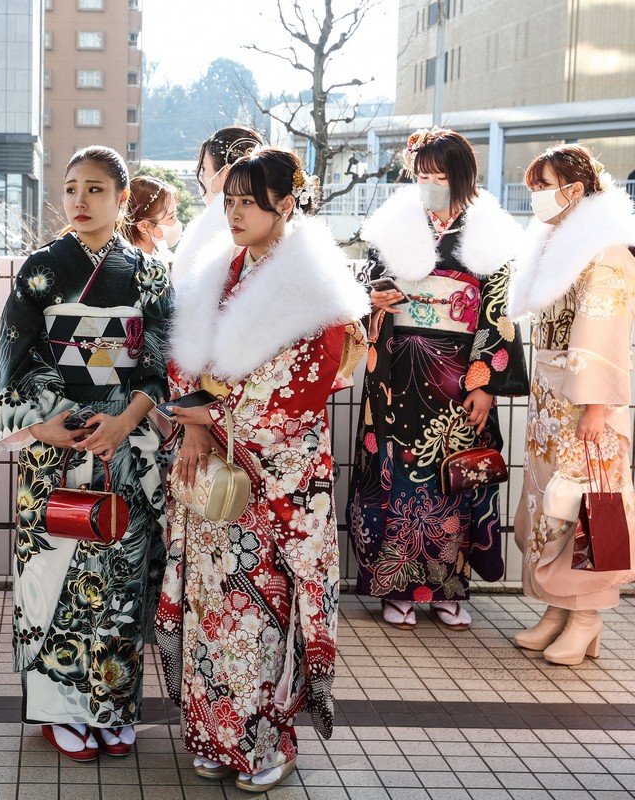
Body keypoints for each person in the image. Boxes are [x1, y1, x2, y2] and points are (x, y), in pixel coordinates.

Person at [156, 147, 366, 789]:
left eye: (250, 200)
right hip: (212, 470)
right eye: (229, 199)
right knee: (211, 602)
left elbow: (300, 385)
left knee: (265, 606)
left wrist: (202, 421)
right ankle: (215, 734)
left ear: (286, 203)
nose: (235, 211)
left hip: (276, 473)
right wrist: (194, 418)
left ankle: (268, 742)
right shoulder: (218, 270)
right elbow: (184, 359)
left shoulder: (315, 284)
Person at [0, 146, 171, 761]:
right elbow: (12, 359)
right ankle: (58, 709)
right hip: (57, 443)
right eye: (70, 189)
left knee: (121, 575)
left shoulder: (148, 271)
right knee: (55, 578)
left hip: (125, 446)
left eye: (95, 189)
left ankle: (114, 704)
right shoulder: (40, 270)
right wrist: (41, 427)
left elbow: (161, 364)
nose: (80, 201)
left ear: (122, 199)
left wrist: (125, 422)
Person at [347, 128, 529, 631]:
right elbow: (364, 279)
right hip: (396, 371)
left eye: (439, 175)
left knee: (453, 475)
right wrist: (374, 296)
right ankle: (394, 588)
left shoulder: (486, 232)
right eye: (422, 174)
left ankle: (450, 588)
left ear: (462, 177)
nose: (428, 183)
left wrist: (483, 383)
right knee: (396, 476)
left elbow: (499, 313)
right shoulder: (396, 224)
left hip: (456, 373)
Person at [508, 144, 635, 665]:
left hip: (586, 402)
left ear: (576, 189)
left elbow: (600, 332)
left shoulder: (605, 251)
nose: (536, 196)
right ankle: (557, 608)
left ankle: (586, 616)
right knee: (549, 501)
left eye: (545, 185)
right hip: (552, 397)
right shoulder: (562, 242)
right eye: (534, 186)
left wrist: (595, 406)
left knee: (584, 502)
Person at [172, 125, 264, 282]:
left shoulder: (225, 221)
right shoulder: (262, 212)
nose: (201, 177)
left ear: (226, 172)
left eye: (204, 168)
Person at [122, 175, 180, 258]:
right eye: (171, 217)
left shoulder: (164, 256)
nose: (176, 222)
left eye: (175, 214)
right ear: (144, 226)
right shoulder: (128, 267)